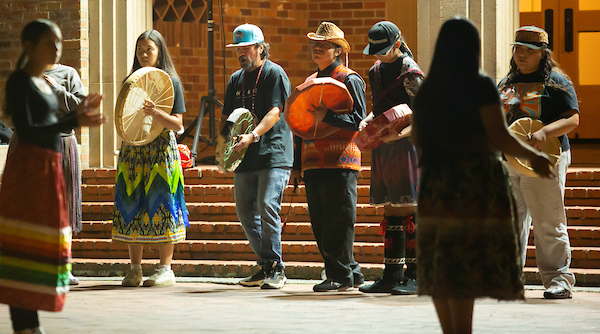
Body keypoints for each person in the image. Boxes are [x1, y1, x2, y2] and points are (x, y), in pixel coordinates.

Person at [412, 17, 553, 334]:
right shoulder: (480, 85)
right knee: (464, 261)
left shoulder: (427, 91)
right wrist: (536, 158)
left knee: (441, 259)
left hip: (436, 182)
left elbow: (417, 138)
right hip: (475, 183)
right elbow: (499, 137)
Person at [0, 19, 104, 334]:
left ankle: (31, 322)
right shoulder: (20, 81)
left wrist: (76, 116)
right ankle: (24, 323)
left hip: (48, 167)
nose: (57, 48)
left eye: (59, 42)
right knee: (24, 243)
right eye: (50, 42)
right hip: (28, 168)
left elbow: (54, 123)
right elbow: (28, 130)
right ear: (29, 46)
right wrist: (74, 118)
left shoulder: (48, 83)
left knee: (43, 245)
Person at [498, 25, 579, 299]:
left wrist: (546, 130)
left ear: (542, 54)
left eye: (529, 50)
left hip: (545, 158)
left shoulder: (556, 82)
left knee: (548, 220)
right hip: (510, 159)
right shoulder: (507, 82)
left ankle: (559, 279)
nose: (521, 54)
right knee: (510, 219)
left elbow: (573, 119)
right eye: (518, 48)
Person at [290, 21, 366, 292]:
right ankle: (351, 271)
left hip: (340, 159)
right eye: (315, 45)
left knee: (339, 219)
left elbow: (359, 120)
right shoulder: (309, 83)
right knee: (321, 221)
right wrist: (296, 165)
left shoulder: (350, 79)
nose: (317, 49)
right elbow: (299, 126)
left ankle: (339, 275)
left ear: (338, 51)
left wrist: (329, 116)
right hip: (312, 162)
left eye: (323, 45)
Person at [112, 30, 189, 287]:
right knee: (131, 203)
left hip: (161, 152)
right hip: (133, 150)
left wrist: (155, 112)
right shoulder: (130, 81)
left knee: (163, 204)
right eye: (140, 50)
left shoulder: (171, 82)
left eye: (149, 50)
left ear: (160, 52)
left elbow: (178, 125)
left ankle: (165, 268)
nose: (144, 55)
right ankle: (134, 269)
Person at [219, 24, 292, 289]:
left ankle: (277, 268)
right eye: (238, 49)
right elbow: (228, 118)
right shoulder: (235, 79)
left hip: (273, 152)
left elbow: (275, 112)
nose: (241, 53)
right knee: (245, 211)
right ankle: (266, 265)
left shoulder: (274, 73)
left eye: (246, 48)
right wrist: (223, 151)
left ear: (261, 48)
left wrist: (254, 135)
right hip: (244, 156)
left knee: (266, 206)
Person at [358, 21, 424, 295]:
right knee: (391, 207)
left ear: (398, 43)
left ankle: (418, 276)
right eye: (375, 51)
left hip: (409, 143)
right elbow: (380, 108)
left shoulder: (410, 72)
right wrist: (368, 120)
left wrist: (397, 136)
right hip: (384, 144)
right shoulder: (375, 70)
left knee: (410, 206)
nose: (379, 55)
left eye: (384, 50)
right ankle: (392, 274)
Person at [44, 61, 87, 286]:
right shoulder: (26, 74)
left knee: (65, 207)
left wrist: (56, 90)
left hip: (63, 142)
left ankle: (63, 267)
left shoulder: (68, 73)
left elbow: (82, 107)